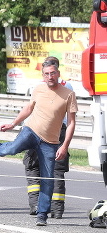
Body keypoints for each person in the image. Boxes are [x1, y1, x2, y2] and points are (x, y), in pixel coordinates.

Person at [0, 57, 77, 226]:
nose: (50, 76)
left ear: (58, 73)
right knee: (12, 149)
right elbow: (28, 108)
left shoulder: (69, 94)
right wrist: (13, 123)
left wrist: (64, 145)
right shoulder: (38, 89)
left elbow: (72, 122)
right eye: (46, 74)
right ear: (43, 75)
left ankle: (42, 215)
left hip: (51, 142)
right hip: (31, 131)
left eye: (53, 73)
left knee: (48, 179)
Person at [22, 56, 71, 218]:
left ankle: (35, 204)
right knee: (56, 170)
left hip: (39, 130)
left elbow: (31, 109)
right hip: (60, 130)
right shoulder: (68, 86)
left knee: (33, 166)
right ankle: (57, 210)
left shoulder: (40, 87)